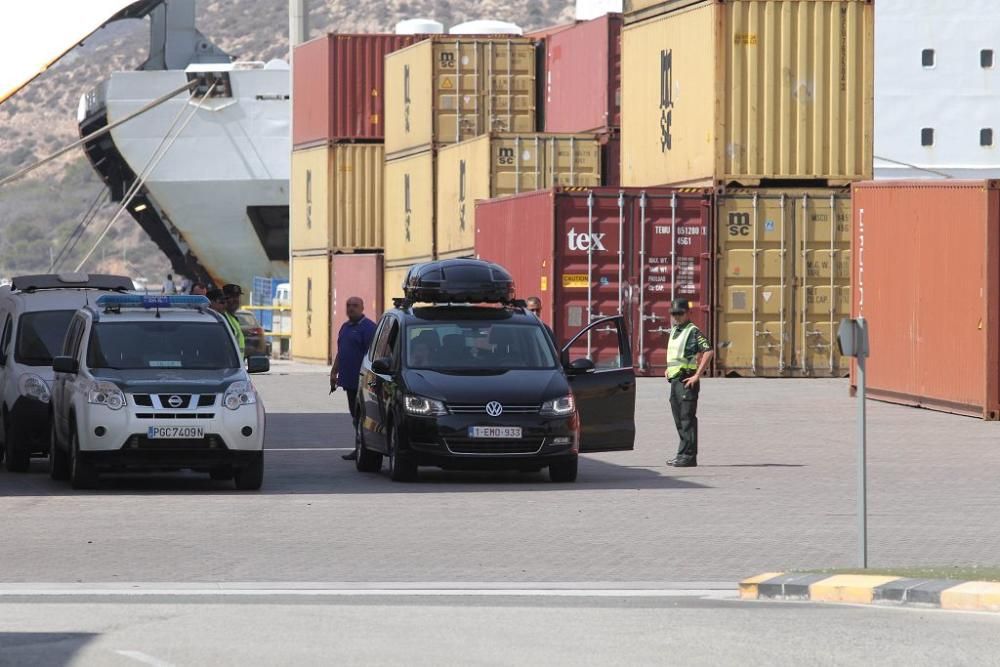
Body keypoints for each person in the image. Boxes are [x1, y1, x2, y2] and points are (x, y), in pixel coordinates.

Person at [665, 298, 714, 468]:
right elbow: (675, 355)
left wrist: (697, 375)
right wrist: (668, 369)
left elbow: (708, 351)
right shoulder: (675, 330)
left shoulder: (693, 331)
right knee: (679, 419)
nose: (676, 317)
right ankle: (682, 453)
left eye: (680, 313)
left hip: (687, 380)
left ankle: (689, 457)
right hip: (675, 380)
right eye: (673, 314)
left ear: (688, 313)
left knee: (687, 419)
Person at [331, 296, 377, 461]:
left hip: (363, 382)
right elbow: (341, 351)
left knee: (363, 416)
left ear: (362, 307)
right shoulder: (345, 327)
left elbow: (374, 357)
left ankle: (364, 449)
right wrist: (334, 372)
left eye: (355, 305)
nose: (351, 308)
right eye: (348, 305)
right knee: (355, 416)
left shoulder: (369, 329)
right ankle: (359, 447)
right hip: (349, 382)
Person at [222, 284, 246, 358]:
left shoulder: (232, 318)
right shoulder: (222, 318)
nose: (235, 300)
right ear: (224, 299)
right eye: (231, 297)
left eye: (237, 297)